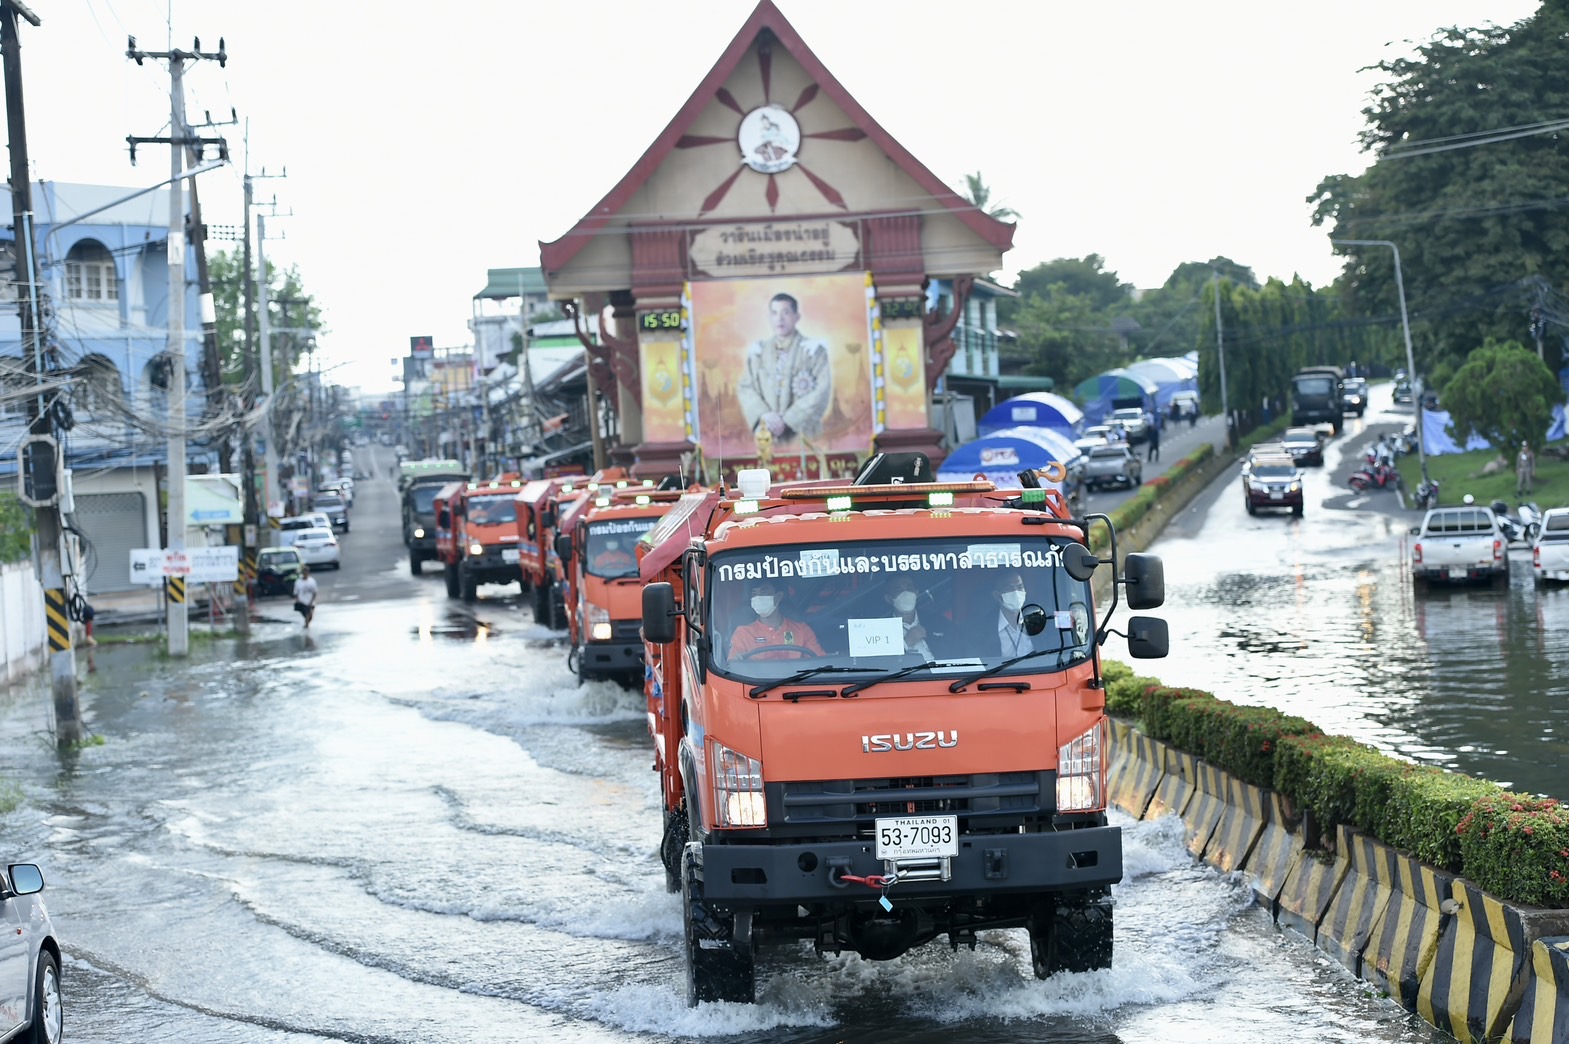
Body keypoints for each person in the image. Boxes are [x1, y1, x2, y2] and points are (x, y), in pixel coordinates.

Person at [736, 293, 833, 448]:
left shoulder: (813, 351)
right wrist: (765, 415)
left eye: (786, 312)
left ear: (797, 317)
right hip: (768, 434)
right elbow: (746, 387)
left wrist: (789, 419)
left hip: (804, 437)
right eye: (774, 313)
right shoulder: (759, 352)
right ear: (769, 317)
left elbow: (822, 390)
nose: (779, 319)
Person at [728, 579, 825, 661]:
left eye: (764, 592)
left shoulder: (802, 630)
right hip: (756, 683)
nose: (758, 598)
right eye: (754, 594)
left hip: (796, 682)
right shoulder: (743, 633)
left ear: (778, 597)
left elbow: (819, 663)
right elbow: (734, 665)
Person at [884, 575, 948, 660]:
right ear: (889, 599)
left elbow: (956, 652)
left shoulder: (938, 622)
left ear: (916, 593)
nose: (906, 594)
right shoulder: (882, 629)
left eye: (909, 588)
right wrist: (905, 643)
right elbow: (881, 664)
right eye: (899, 590)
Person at [992, 572, 1037, 658]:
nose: (1016, 592)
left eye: (1020, 587)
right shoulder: (981, 631)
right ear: (997, 596)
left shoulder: (1039, 619)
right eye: (1009, 588)